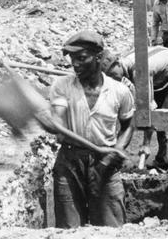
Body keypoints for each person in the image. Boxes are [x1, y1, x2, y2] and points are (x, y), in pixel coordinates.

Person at [50, 30, 135, 228]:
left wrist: (116, 152)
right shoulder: (62, 86)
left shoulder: (119, 91)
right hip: (70, 162)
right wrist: (56, 123)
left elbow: (129, 124)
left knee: (111, 228)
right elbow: (59, 125)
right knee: (69, 229)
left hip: (105, 163)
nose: (75, 64)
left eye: (81, 58)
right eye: (72, 59)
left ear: (98, 57)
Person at [101, 46, 168, 170]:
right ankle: (161, 160)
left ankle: (166, 167)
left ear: (118, 63)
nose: (113, 79)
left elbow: (147, 110)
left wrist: (146, 144)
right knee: (158, 116)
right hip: (162, 76)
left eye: (112, 74)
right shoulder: (127, 62)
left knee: (166, 121)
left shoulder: (139, 71)